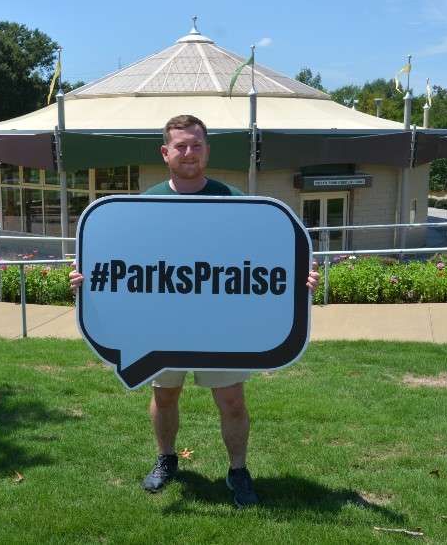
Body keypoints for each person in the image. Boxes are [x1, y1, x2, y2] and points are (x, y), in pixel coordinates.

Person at [70, 114, 318, 507]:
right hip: (160, 325)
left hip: (219, 325)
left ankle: (238, 471)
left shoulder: (234, 200)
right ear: (165, 152)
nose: (189, 152)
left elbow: (263, 259)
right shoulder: (145, 203)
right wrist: (89, 279)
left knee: (232, 401)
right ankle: (167, 460)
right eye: (181, 146)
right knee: (165, 396)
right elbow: (122, 263)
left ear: (206, 150)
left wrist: (296, 283)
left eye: (196, 145)